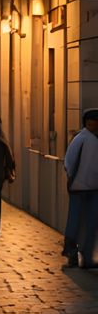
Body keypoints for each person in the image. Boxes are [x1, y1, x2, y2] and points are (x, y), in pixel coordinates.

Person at [63, 109, 98, 269]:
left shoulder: (81, 138)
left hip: (89, 187)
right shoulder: (83, 139)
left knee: (84, 222)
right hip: (82, 187)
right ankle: (76, 254)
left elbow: (68, 162)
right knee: (82, 222)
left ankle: (82, 255)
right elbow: (69, 162)